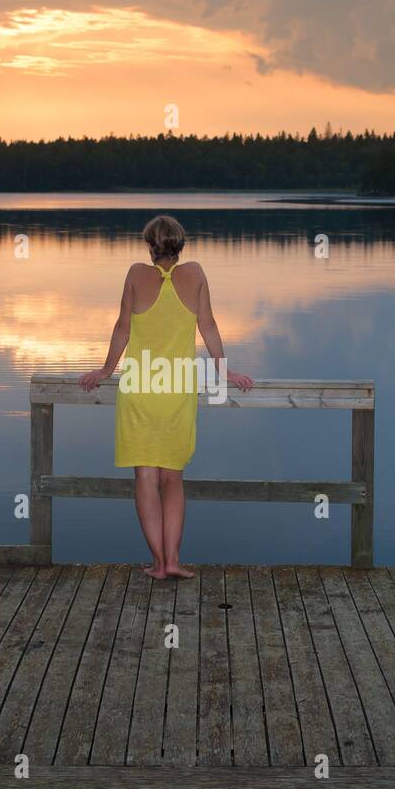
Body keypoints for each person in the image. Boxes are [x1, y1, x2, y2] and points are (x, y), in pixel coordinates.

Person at [79, 215, 253, 579]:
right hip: (176, 389)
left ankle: (158, 563)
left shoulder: (135, 275)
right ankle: (174, 560)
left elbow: (122, 329)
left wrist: (106, 371)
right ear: (181, 244)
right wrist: (225, 371)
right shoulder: (196, 274)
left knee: (145, 477)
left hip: (141, 388)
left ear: (149, 245)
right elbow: (209, 327)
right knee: (172, 478)